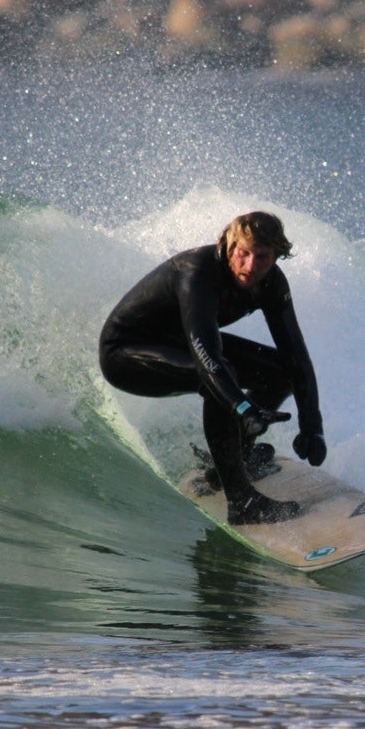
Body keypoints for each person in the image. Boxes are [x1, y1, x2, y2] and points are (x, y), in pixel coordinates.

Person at [99, 211, 327, 525]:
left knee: (280, 370)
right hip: (126, 353)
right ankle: (242, 502)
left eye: (262, 257)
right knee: (219, 379)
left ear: (276, 256)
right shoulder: (198, 272)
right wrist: (244, 407)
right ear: (227, 246)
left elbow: (296, 357)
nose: (250, 266)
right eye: (243, 254)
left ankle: (238, 458)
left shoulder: (272, 283)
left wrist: (312, 426)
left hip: (180, 344)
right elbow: (208, 358)